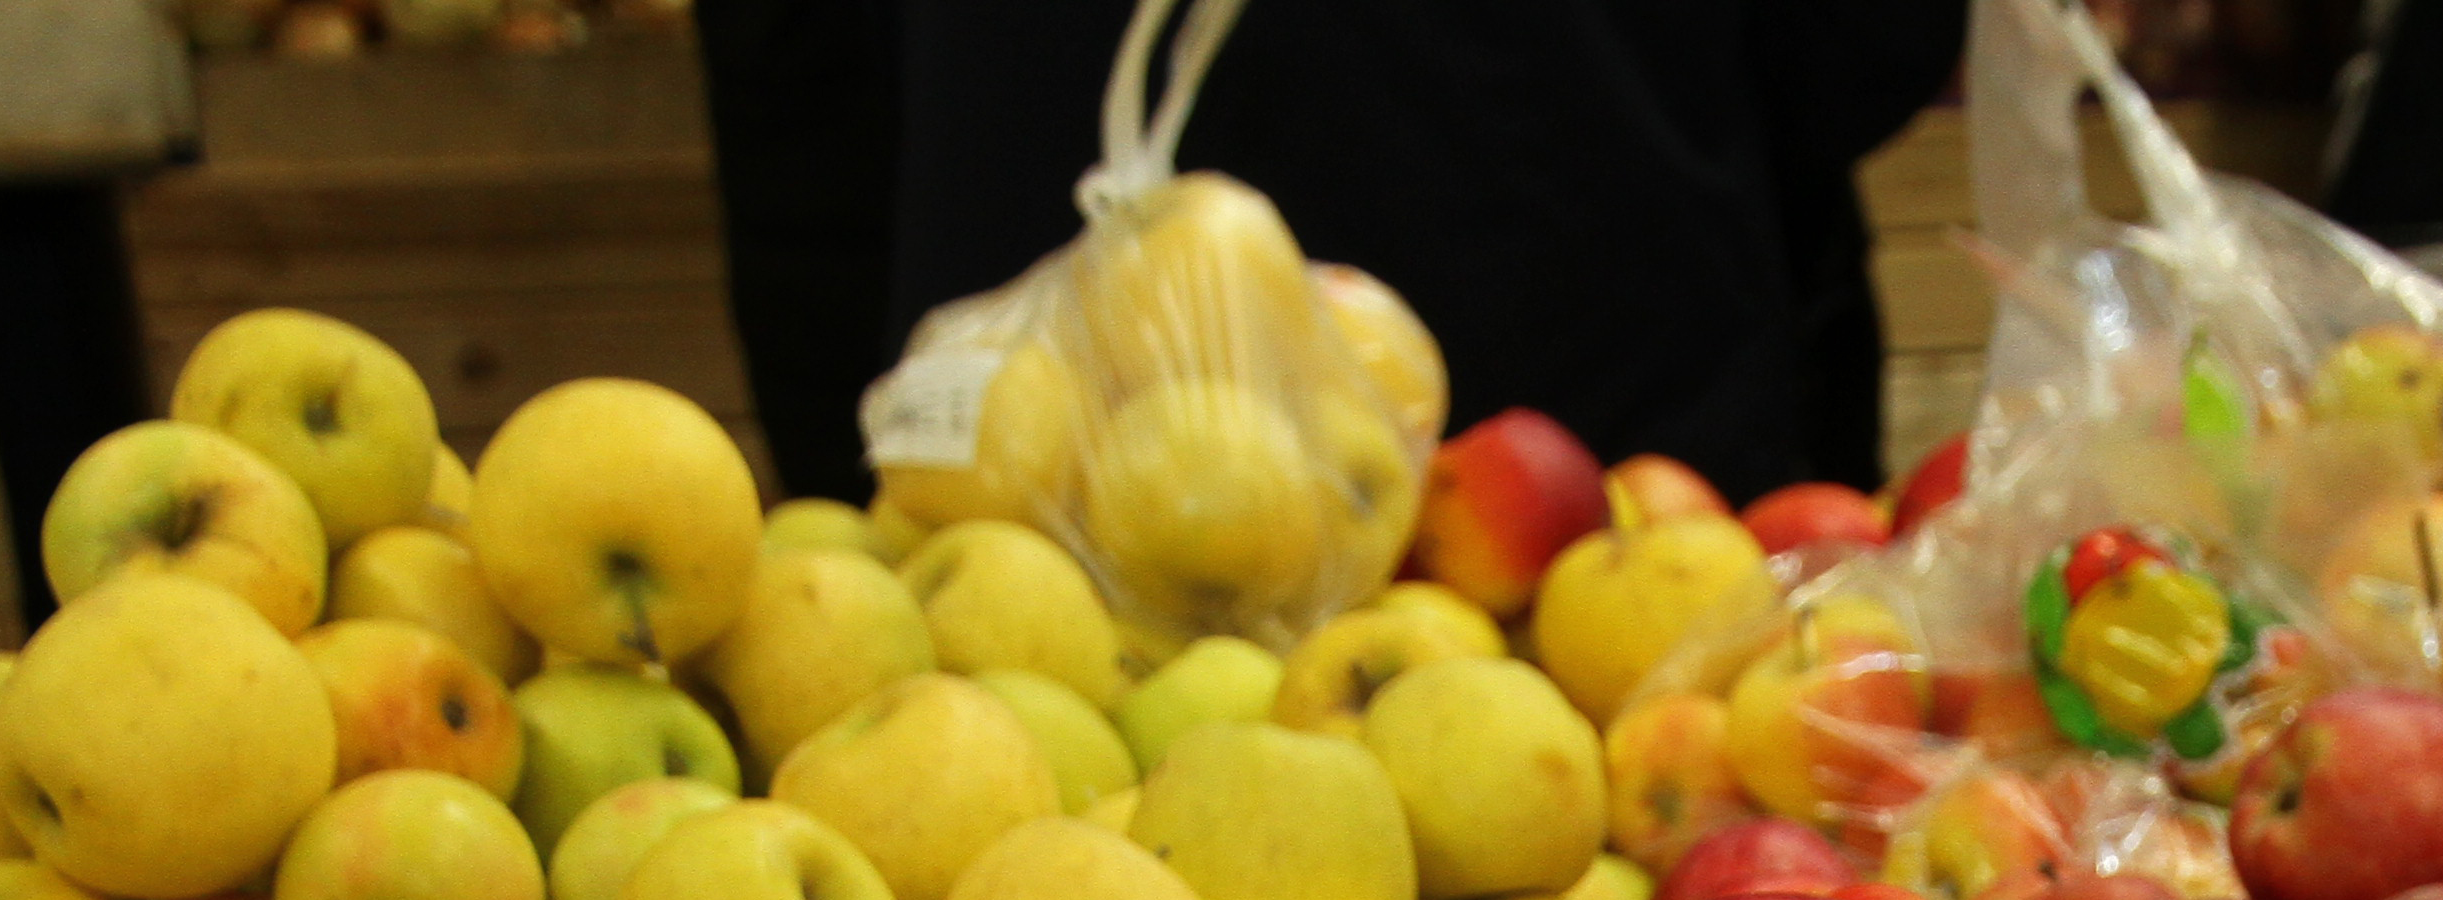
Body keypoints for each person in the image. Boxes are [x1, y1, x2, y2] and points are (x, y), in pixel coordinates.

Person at [702, 0, 1962, 507]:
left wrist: (854, 471)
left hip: (1047, 453)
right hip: (1583, 433)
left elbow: (795, 93)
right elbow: (1859, 42)